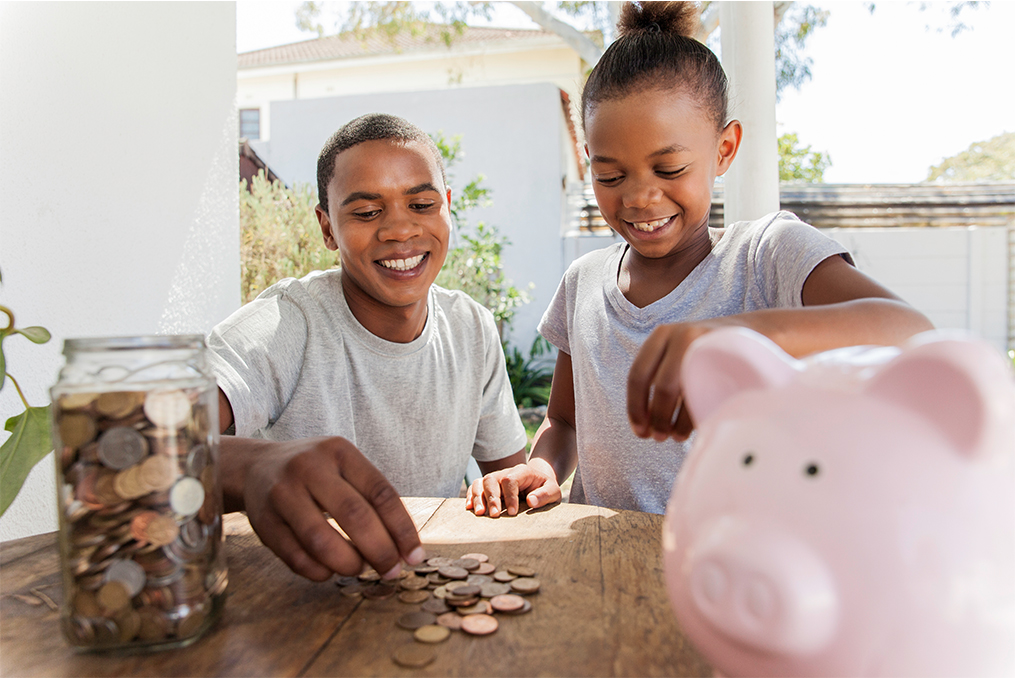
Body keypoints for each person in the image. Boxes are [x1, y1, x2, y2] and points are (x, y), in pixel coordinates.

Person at [466, 1, 933, 518]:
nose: (639, 198)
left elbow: (910, 331)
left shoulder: (765, 257)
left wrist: (733, 333)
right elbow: (564, 421)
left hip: (727, 572)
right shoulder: (584, 282)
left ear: (724, 149)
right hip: (599, 569)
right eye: (610, 176)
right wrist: (544, 467)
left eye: (669, 169)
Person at [208, 113, 528, 581]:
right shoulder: (285, 325)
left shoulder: (471, 328)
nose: (400, 230)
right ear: (327, 228)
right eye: (365, 212)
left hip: (424, 589)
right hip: (299, 604)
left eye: (421, 204)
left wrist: (508, 486)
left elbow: (509, 479)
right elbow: (137, 445)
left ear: (448, 208)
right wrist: (253, 466)